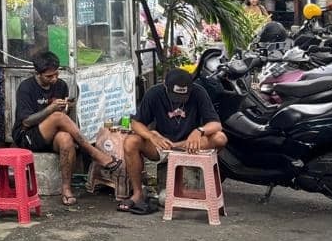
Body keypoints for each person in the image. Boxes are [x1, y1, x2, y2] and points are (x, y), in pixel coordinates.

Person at [12, 51, 121, 206]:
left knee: (66, 138)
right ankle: (93, 152)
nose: (54, 79)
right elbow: (27, 122)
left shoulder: (61, 85)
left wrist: (65, 108)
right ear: (37, 73)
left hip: (51, 135)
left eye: (56, 74)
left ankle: (66, 189)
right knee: (57, 117)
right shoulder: (26, 87)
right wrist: (51, 109)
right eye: (49, 76)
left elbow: (63, 116)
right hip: (27, 136)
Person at [118, 67, 227, 215]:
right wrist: (151, 136)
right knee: (131, 142)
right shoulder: (154, 93)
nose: (179, 101)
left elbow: (216, 124)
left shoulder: (199, 92)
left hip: (189, 146)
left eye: (184, 96)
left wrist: (199, 131)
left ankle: (193, 182)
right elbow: (136, 123)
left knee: (220, 137)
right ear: (165, 85)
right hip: (162, 145)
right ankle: (137, 193)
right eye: (175, 95)